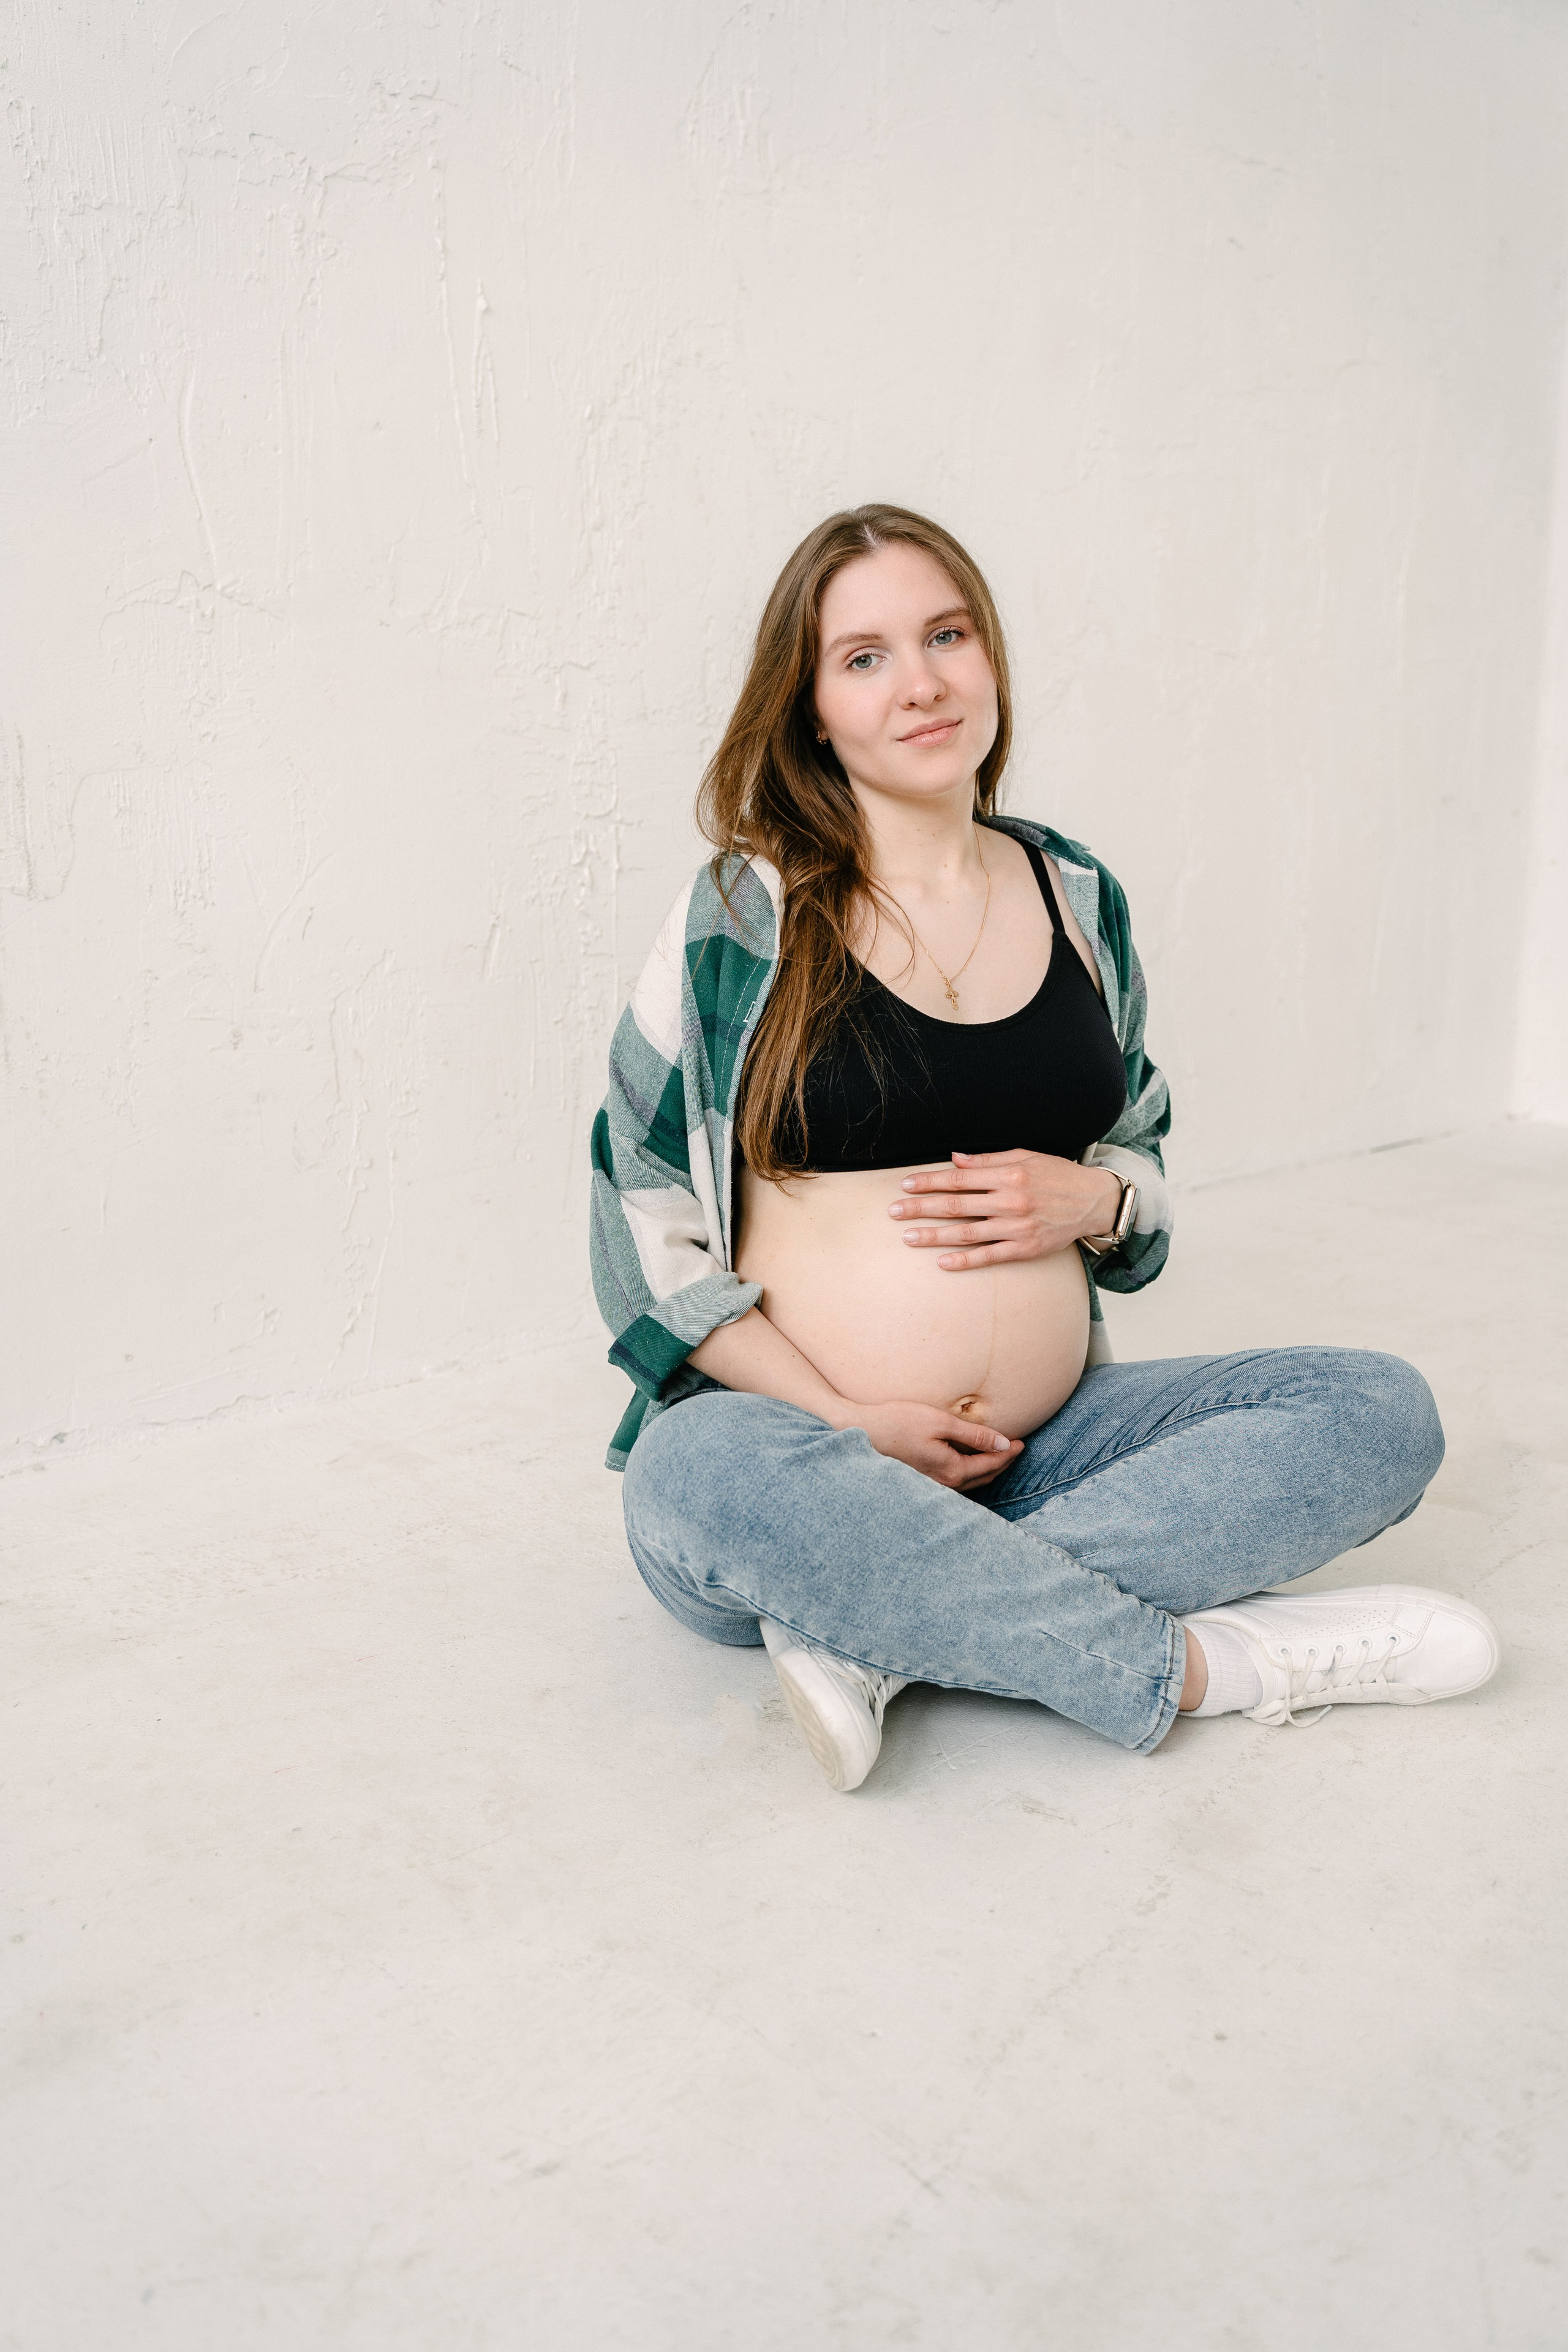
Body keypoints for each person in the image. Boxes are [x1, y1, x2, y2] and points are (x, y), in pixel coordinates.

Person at [589, 503, 1499, 1792]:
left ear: (990, 658)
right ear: (809, 710)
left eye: (946, 634)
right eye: (863, 657)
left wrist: (1096, 1201)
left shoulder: (1073, 894)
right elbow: (641, 1215)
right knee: (691, 1468)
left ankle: (883, 1632)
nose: (920, 683)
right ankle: (1202, 1669)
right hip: (805, 1466)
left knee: (1373, 1410)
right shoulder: (742, 914)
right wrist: (849, 1423)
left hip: (1044, 1451)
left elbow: (1136, 1150)